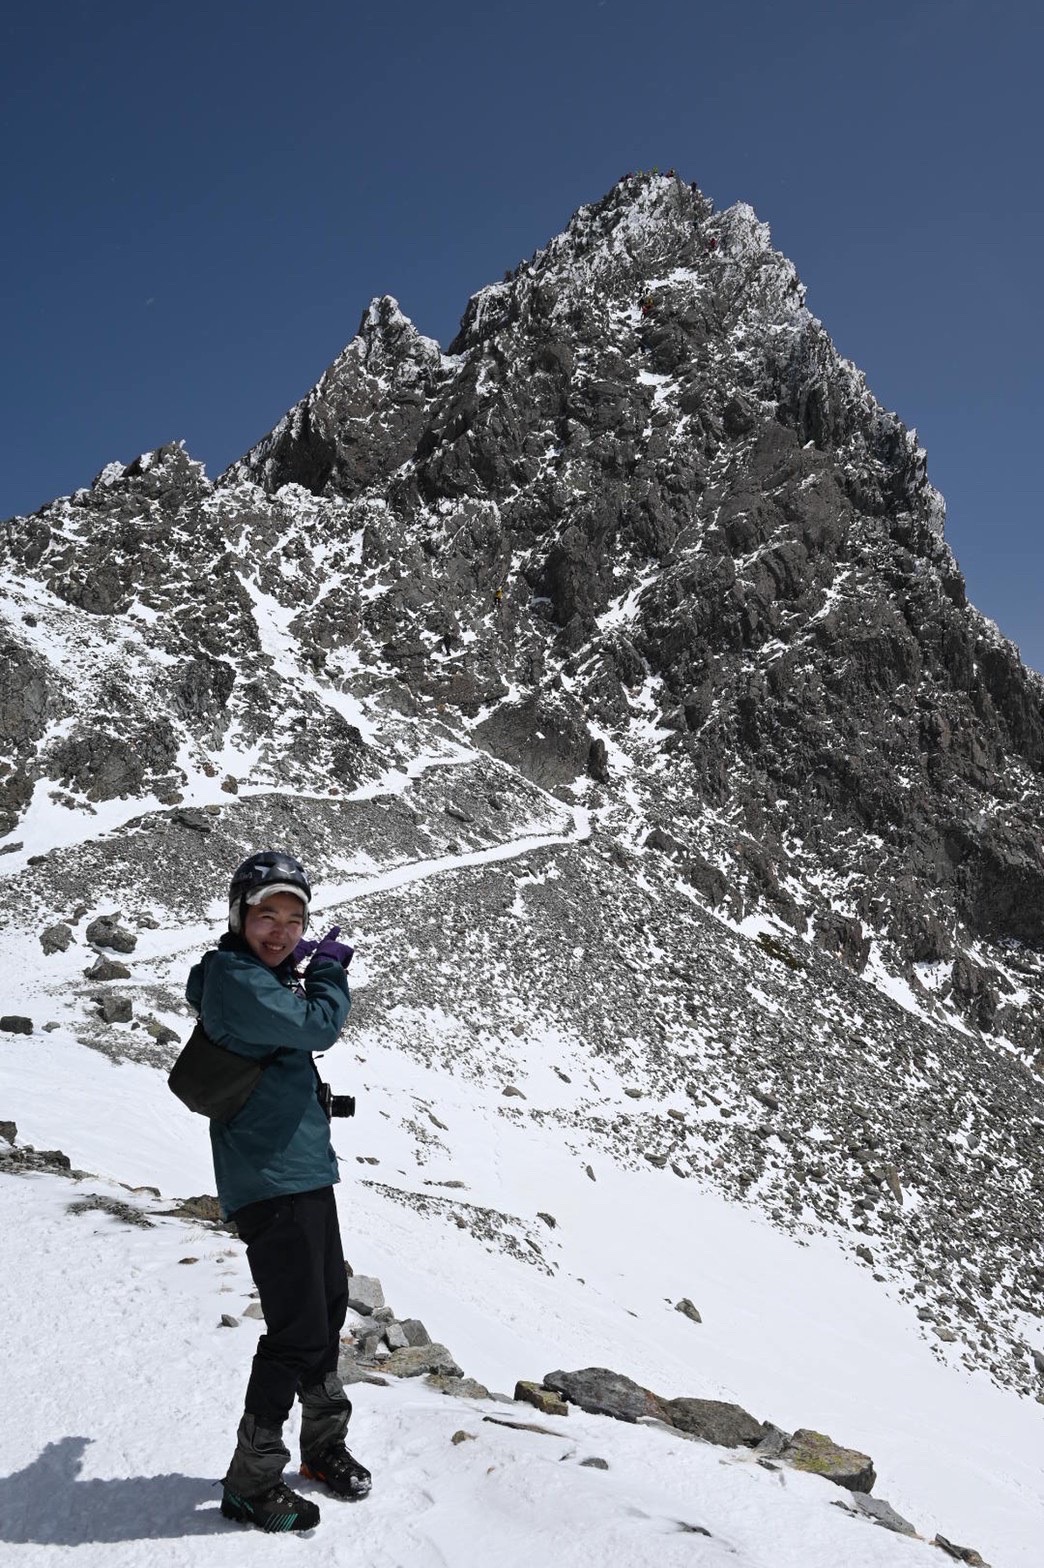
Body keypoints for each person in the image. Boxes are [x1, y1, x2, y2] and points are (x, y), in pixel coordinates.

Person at [185, 849, 370, 1533]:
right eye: (268, 915)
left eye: (296, 919)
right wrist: (326, 970)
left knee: (325, 1310)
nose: (283, 930)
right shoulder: (237, 980)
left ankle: (322, 1447)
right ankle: (252, 1482)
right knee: (295, 1332)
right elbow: (321, 1024)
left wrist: (297, 972)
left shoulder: (260, 978)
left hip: (304, 1173)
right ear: (241, 915)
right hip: (270, 1183)